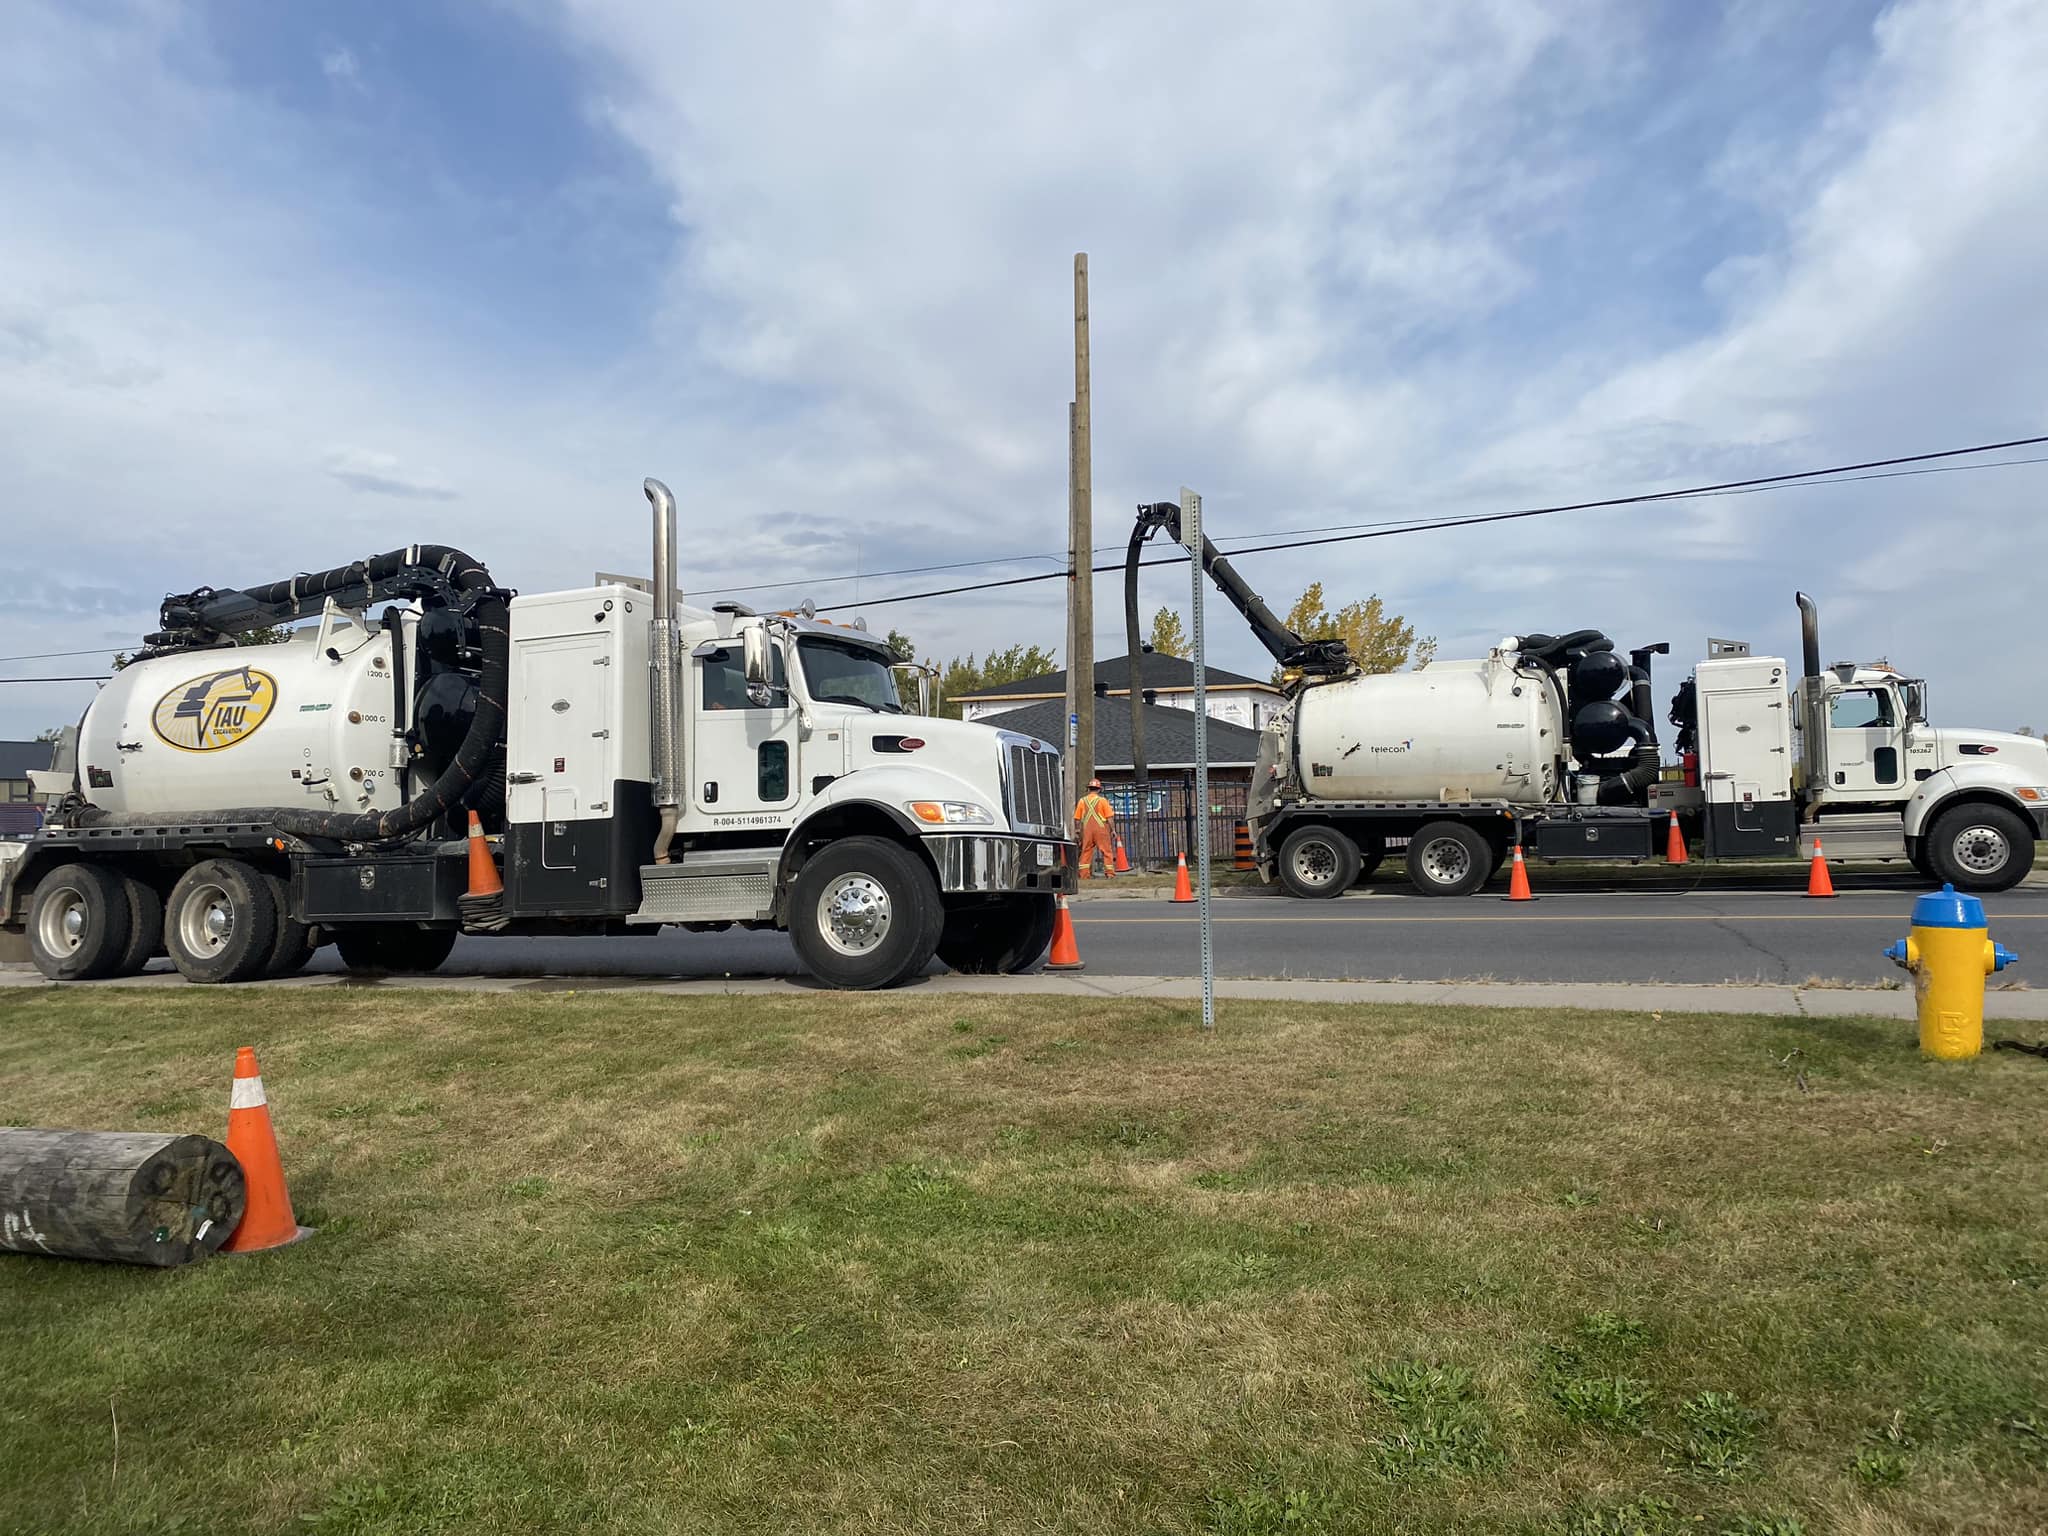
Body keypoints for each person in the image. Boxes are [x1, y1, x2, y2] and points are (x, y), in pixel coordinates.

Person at [1074, 777, 1117, 879]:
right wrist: (1113, 830)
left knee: (1086, 851)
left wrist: (1077, 830)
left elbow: (1077, 819)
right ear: (1099, 789)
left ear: (1089, 789)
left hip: (1087, 830)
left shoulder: (1082, 801)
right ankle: (1109, 873)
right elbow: (1109, 818)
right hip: (1101, 829)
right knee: (1106, 851)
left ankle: (1084, 875)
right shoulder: (1103, 801)